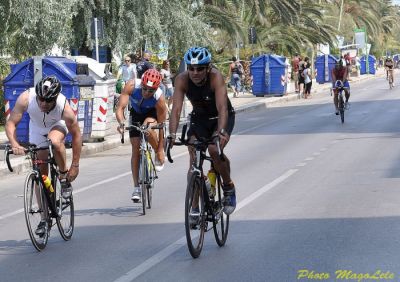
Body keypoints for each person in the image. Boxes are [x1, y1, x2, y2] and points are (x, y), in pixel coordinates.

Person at [5, 76, 82, 235]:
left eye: (48, 101)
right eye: (41, 99)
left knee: (54, 142)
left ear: (55, 98)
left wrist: (75, 165)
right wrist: (14, 143)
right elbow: (11, 123)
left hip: (57, 125)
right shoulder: (26, 98)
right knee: (40, 176)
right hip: (37, 129)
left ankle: (63, 177)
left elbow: (76, 135)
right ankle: (44, 218)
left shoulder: (63, 106)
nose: (43, 104)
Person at [168, 47, 236, 215]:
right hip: (199, 118)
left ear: (208, 68)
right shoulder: (182, 80)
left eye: (199, 69)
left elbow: (222, 108)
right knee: (193, 158)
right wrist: (171, 135)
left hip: (220, 117)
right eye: (191, 68)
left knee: (214, 150)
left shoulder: (215, 77)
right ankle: (195, 208)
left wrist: (220, 132)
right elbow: (176, 110)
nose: (195, 72)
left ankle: (228, 187)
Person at [116, 69, 167, 202]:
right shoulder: (131, 86)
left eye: (151, 91)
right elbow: (120, 108)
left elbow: (162, 126)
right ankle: (136, 187)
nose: (146, 93)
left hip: (151, 114)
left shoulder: (159, 98)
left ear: (156, 89)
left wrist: (160, 150)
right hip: (136, 113)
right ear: (141, 85)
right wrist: (121, 123)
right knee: (135, 148)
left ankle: (155, 150)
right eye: (144, 89)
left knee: (147, 127)